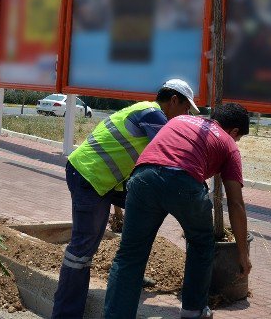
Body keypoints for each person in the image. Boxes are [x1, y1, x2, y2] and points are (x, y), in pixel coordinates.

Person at [51, 79, 199, 319]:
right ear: (173, 101)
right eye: (185, 109)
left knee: (146, 209)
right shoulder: (153, 115)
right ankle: (65, 314)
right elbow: (171, 152)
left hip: (104, 180)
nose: (184, 115)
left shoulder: (144, 110)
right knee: (82, 251)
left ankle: (131, 270)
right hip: (90, 177)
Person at [104, 102, 252, 319]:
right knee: (201, 244)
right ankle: (193, 311)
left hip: (142, 178)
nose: (236, 141)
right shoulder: (229, 144)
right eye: (238, 137)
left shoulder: (179, 120)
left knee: (129, 256)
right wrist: (241, 253)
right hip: (185, 184)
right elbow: (236, 203)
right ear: (235, 131)